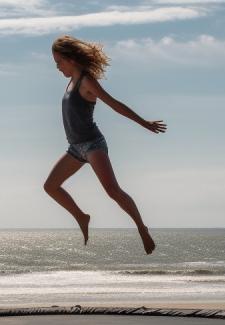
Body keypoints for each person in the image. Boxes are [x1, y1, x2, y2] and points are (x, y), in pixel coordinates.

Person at [45, 35, 166, 255]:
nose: (57, 67)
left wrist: (143, 122)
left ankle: (142, 227)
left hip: (93, 144)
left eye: (59, 62)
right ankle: (81, 217)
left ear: (71, 59)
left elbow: (114, 104)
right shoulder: (70, 82)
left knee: (112, 190)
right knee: (50, 186)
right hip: (75, 148)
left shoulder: (86, 82)